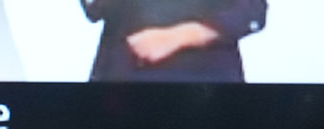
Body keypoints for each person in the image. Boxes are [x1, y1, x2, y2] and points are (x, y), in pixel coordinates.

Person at [83, 0, 266, 81]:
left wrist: (177, 37)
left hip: (203, 80)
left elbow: (252, 12)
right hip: (122, 77)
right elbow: (95, 9)